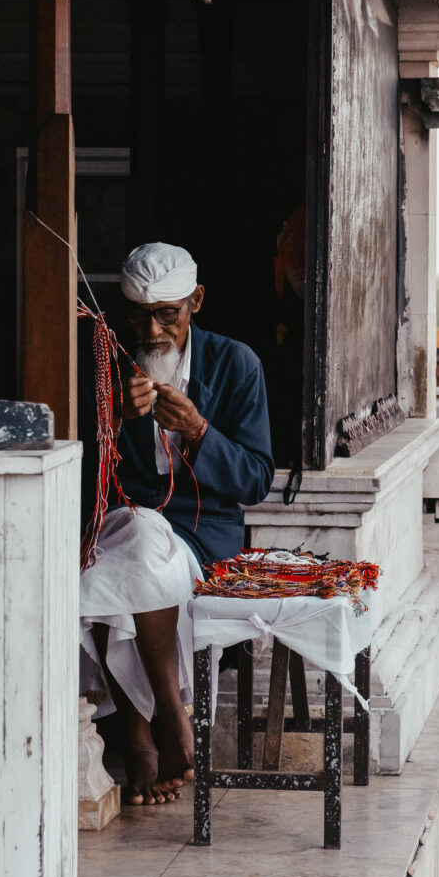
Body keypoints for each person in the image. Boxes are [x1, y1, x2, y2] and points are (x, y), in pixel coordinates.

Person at [79, 242, 273, 805]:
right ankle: (169, 716)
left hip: (201, 535)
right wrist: (111, 415)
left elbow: (256, 480)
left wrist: (199, 432)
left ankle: (139, 735)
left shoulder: (236, 365)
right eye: (140, 314)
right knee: (135, 535)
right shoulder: (105, 364)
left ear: (196, 301)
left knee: (113, 567)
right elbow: (75, 467)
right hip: (123, 522)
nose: (154, 329)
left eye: (168, 313)